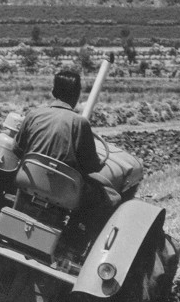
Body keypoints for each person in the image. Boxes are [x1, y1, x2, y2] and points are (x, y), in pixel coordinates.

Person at [14, 68, 119, 223]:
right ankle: (78, 238)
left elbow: (17, 150)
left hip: (28, 182)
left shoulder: (33, 114)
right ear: (77, 95)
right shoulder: (80, 123)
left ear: (53, 91)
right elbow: (91, 166)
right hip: (62, 192)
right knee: (113, 198)